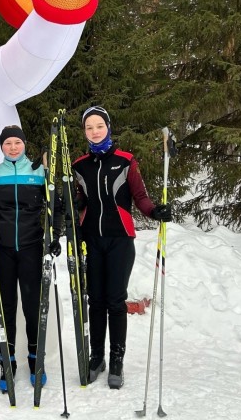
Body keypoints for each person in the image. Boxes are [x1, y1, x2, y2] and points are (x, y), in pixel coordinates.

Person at [71, 106, 171, 389]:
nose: (94, 131)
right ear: (85, 132)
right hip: (92, 240)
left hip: (120, 240)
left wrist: (154, 212)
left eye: (99, 126)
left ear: (108, 127)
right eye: (89, 128)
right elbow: (80, 202)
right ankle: (97, 358)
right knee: (96, 301)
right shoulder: (79, 166)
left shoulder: (126, 161)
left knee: (115, 301)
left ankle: (117, 360)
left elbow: (140, 196)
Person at [0, 125, 61, 393]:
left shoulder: (39, 172)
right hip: (2, 248)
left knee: (32, 306)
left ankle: (36, 359)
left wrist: (55, 236)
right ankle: (8, 360)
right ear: (1, 146)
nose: (13, 147)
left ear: (24, 144)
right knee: (6, 307)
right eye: (7, 144)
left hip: (31, 247)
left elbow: (55, 207)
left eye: (17, 143)